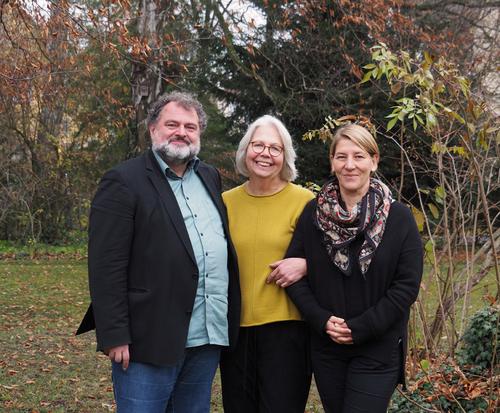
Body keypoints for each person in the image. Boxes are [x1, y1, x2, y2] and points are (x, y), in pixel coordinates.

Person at [76, 91, 240, 413]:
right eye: (172, 124)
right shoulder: (123, 181)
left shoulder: (209, 176)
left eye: (190, 127)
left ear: (199, 133)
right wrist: (114, 333)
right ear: (153, 129)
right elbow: (106, 265)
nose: (182, 132)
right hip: (147, 338)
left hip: (206, 335)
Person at [285, 123, 423, 413]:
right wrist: (321, 320)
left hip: (378, 348)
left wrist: (362, 327)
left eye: (359, 156)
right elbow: (294, 277)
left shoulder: (399, 219)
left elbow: (407, 285)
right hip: (327, 348)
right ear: (332, 162)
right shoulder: (313, 214)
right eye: (341, 157)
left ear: (374, 161)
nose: (350, 165)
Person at [220, 115, 314, 412]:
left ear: (285, 156)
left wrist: (306, 264)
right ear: (245, 151)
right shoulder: (223, 202)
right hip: (234, 329)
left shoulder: (306, 201)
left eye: (275, 148)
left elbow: (332, 256)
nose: (265, 154)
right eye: (257, 145)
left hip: (287, 330)